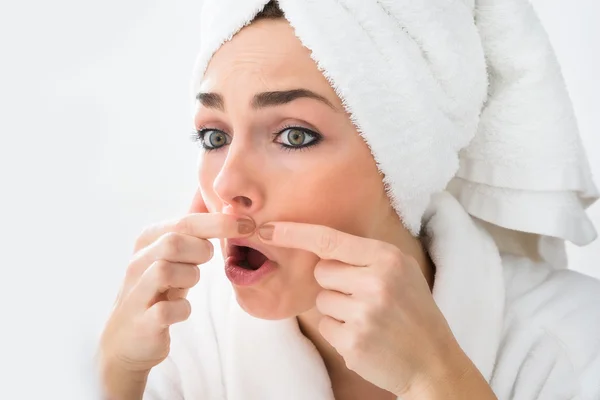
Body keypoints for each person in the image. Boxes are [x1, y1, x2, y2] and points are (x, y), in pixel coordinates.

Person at [97, 1, 600, 399]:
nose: (227, 185)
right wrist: (114, 378)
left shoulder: (575, 345)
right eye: (214, 137)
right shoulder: (177, 343)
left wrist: (437, 380)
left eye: (293, 136)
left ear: (402, 162)